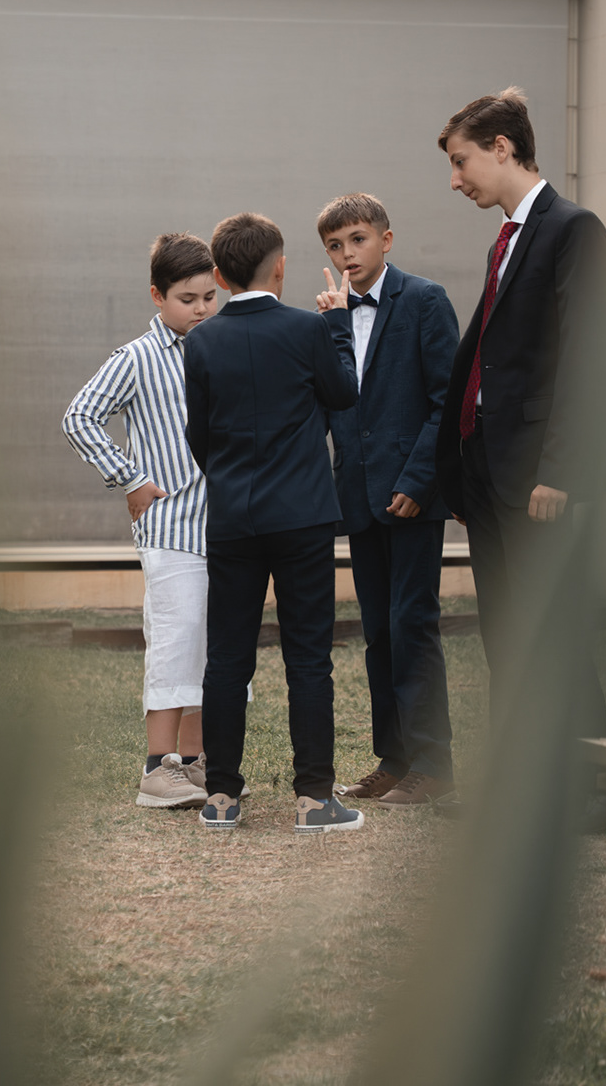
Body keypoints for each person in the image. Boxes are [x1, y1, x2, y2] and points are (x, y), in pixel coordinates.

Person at [432, 88, 606, 748]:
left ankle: (589, 777)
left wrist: (560, 469)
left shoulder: (574, 229)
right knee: (505, 632)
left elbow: (586, 354)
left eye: (460, 161)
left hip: (536, 472)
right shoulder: (506, 240)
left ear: (502, 148)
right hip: (487, 466)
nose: (455, 180)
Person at [183, 213, 364, 834]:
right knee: (308, 657)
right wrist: (339, 325)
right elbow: (344, 394)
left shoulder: (201, 341)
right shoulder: (309, 328)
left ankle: (221, 797)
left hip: (233, 517)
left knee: (227, 658)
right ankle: (314, 799)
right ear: (280, 267)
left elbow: (199, 436)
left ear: (218, 275)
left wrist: (231, 478)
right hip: (304, 515)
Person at [311, 193, 460, 809]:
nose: (347, 254)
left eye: (358, 239)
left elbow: (448, 402)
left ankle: (433, 765)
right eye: (334, 246)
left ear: (385, 239)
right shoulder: (330, 316)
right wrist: (331, 327)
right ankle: (394, 761)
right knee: (378, 632)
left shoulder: (425, 300)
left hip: (412, 495)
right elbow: (335, 399)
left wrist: (419, 482)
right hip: (358, 494)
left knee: (412, 625)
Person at [62, 233, 219, 808]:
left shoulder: (220, 346)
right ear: (157, 295)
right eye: (186, 299)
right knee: (175, 641)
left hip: (223, 527)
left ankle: (196, 764)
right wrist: (130, 479)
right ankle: (157, 770)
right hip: (171, 528)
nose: (200, 309)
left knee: (209, 646)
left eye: (209, 297)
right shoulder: (136, 358)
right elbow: (79, 417)